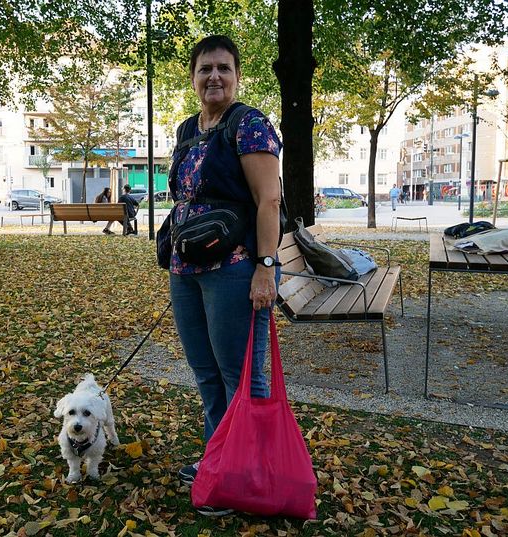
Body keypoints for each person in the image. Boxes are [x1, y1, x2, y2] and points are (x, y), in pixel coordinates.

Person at [166, 35, 282, 513]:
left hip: (234, 270)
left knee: (240, 376)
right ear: (193, 77)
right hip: (185, 270)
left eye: (223, 68)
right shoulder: (186, 129)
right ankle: (219, 456)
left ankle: (244, 474)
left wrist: (266, 268)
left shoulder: (249, 124)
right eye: (205, 68)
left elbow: (269, 200)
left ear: (236, 76)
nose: (214, 76)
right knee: (206, 372)